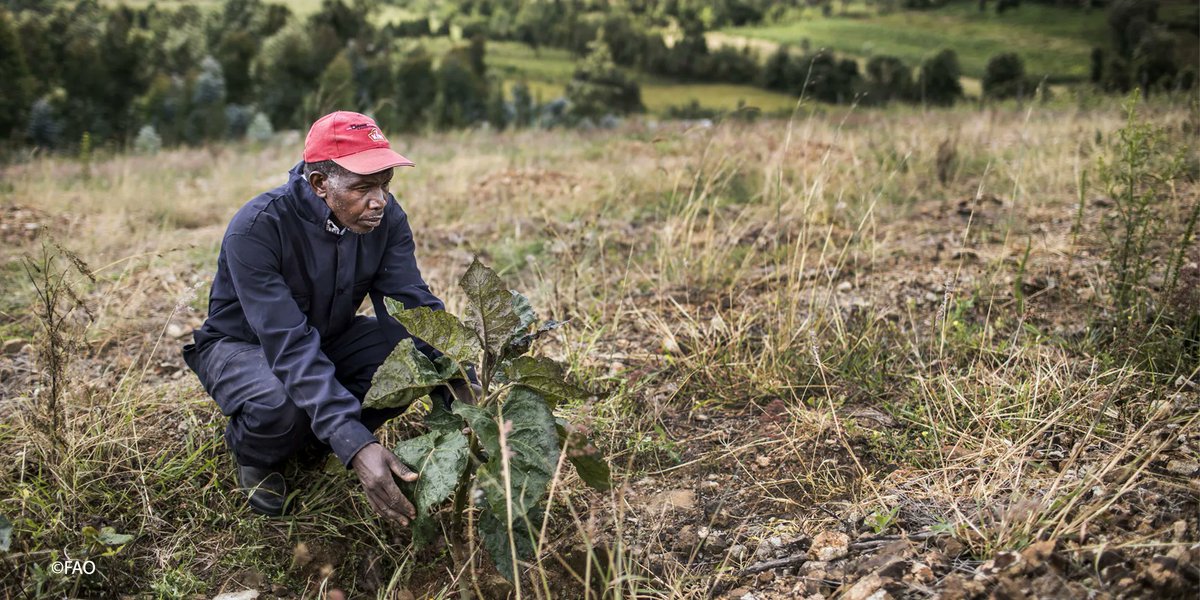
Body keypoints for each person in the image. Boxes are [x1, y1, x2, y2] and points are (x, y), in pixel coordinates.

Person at [181, 111, 478, 523]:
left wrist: (461, 382)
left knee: (410, 362)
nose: (380, 200)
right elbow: (288, 344)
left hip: (327, 335)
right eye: (363, 186)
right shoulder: (257, 229)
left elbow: (412, 310)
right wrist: (357, 444)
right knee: (280, 402)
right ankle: (256, 454)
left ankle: (315, 441)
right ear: (320, 184)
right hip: (244, 346)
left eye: (385, 184)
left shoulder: (385, 219)